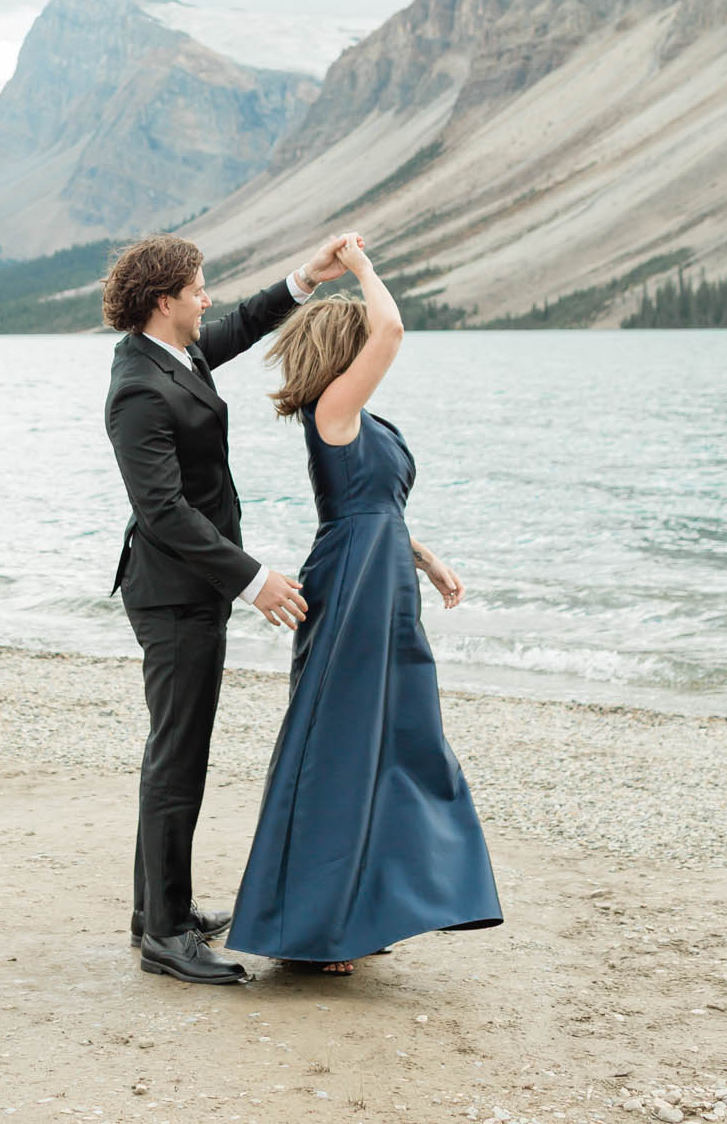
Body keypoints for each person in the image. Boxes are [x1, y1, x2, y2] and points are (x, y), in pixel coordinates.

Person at [226, 234, 503, 974]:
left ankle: (361, 912)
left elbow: (373, 507)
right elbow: (394, 329)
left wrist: (427, 557)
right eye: (363, 345)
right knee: (344, 749)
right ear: (347, 351)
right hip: (352, 591)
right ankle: (313, 932)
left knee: (398, 746)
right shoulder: (333, 409)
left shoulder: (360, 423)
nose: (373, 352)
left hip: (385, 586)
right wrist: (363, 269)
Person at [103, 229, 359, 986]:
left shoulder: (173, 355)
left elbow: (243, 324)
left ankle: (159, 911)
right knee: (177, 758)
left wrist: (308, 278)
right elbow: (163, 511)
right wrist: (255, 580)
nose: (206, 297)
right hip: (174, 594)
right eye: (197, 288)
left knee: (175, 750)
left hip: (194, 588)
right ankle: (165, 935)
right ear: (164, 301)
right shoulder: (137, 387)